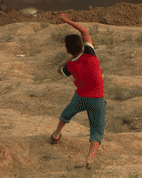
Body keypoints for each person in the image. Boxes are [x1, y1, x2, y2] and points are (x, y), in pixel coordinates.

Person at [50, 14, 107, 170]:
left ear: (68, 52)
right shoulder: (89, 52)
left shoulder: (70, 66)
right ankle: (90, 157)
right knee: (97, 128)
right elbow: (84, 32)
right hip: (98, 98)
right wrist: (68, 21)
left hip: (81, 96)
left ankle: (56, 134)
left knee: (66, 114)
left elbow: (59, 71)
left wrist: (70, 59)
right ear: (82, 45)